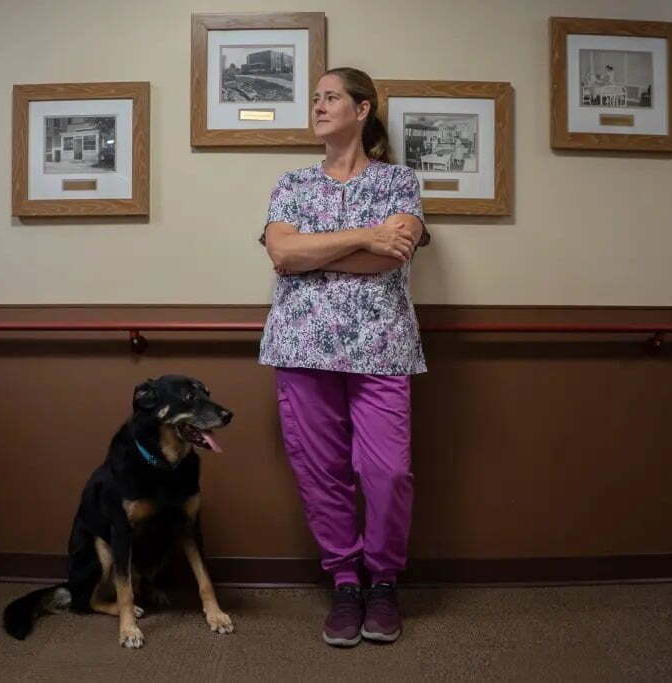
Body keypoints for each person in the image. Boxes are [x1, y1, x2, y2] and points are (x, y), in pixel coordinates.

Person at [258, 67, 430, 647]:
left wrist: (317, 253)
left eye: (330, 97)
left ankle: (383, 580)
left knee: (388, 472)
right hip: (301, 346)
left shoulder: (400, 181)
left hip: (382, 347)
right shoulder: (291, 184)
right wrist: (362, 237)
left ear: (363, 109)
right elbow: (281, 253)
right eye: (314, 99)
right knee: (320, 471)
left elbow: (394, 256)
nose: (318, 106)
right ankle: (346, 582)